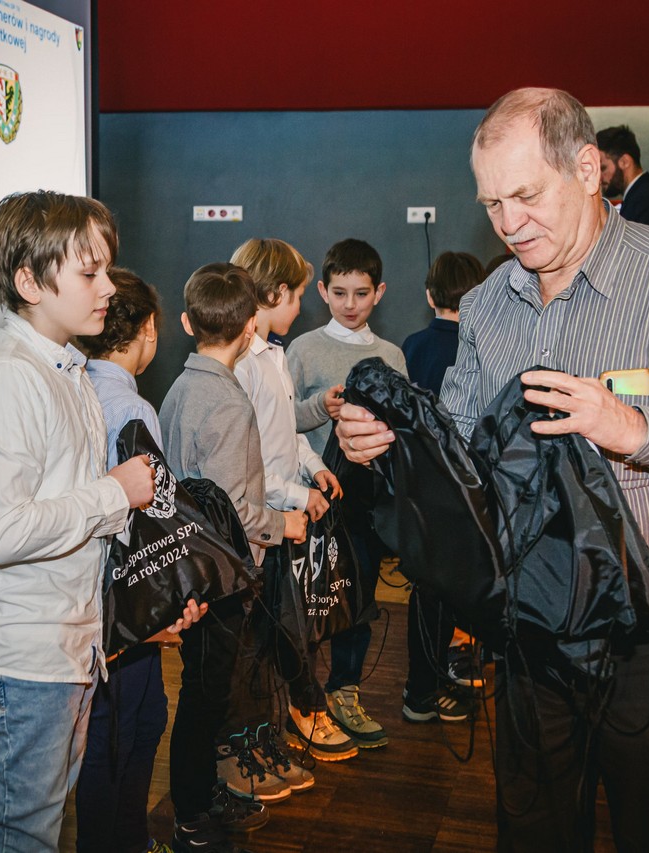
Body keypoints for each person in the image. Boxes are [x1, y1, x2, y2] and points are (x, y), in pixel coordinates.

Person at [338, 87, 649, 851]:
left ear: (588, 169)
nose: (509, 222)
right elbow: (463, 443)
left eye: (526, 195)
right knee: (533, 830)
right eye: (492, 204)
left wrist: (637, 429)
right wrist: (391, 443)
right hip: (530, 629)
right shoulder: (487, 304)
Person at [0, 192, 159, 852]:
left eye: (107, 270)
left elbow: (63, 510)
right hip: (23, 650)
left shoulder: (64, 366)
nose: (108, 288)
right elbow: (3, 531)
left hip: (62, 640)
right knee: (21, 835)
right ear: (30, 283)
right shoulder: (11, 376)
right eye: (89, 273)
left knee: (38, 821)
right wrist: (115, 492)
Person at [159, 262, 308, 853]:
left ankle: (198, 798)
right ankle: (193, 813)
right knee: (205, 697)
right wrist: (283, 523)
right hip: (217, 575)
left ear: (186, 322)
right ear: (250, 326)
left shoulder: (179, 387)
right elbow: (233, 513)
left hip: (189, 565)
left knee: (203, 691)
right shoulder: (225, 400)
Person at [73, 267, 210, 853]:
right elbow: (150, 522)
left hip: (85, 594)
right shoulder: (132, 408)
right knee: (123, 732)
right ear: (149, 328)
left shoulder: (75, 388)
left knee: (126, 723)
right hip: (122, 603)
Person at [228, 237, 344, 790]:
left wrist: (314, 467)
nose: (300, 306)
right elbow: (247, 461)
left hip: (279, 516)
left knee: (283, 627)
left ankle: (272, 730)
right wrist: (298, 497)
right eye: (296, 295)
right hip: (257, 522)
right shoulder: (243, 364)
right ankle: (247, 744)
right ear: (273, 293)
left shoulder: (274, 355)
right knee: (254, 642)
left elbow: (286, 435)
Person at [285, 238, 406, 755]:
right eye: (339, 292)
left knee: (358, 601)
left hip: (366, 501)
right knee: (310, 600)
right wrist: (321, 405)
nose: (350, 304)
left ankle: (344, 691)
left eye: (361, 293)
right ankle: (303, 699)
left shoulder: (391, 355)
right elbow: (279, 421)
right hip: (312, 497)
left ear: (379, 292)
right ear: (322, 291)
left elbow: (403, 430)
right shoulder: (303, 349)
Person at [399, 250, 485, 725]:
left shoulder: (411, 347)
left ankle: (423, 687)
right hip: (469, 491)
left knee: (428, 592)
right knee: (458, 591)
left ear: (429, 295)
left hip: (423, 491)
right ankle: (435, 683)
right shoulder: (484, 348)